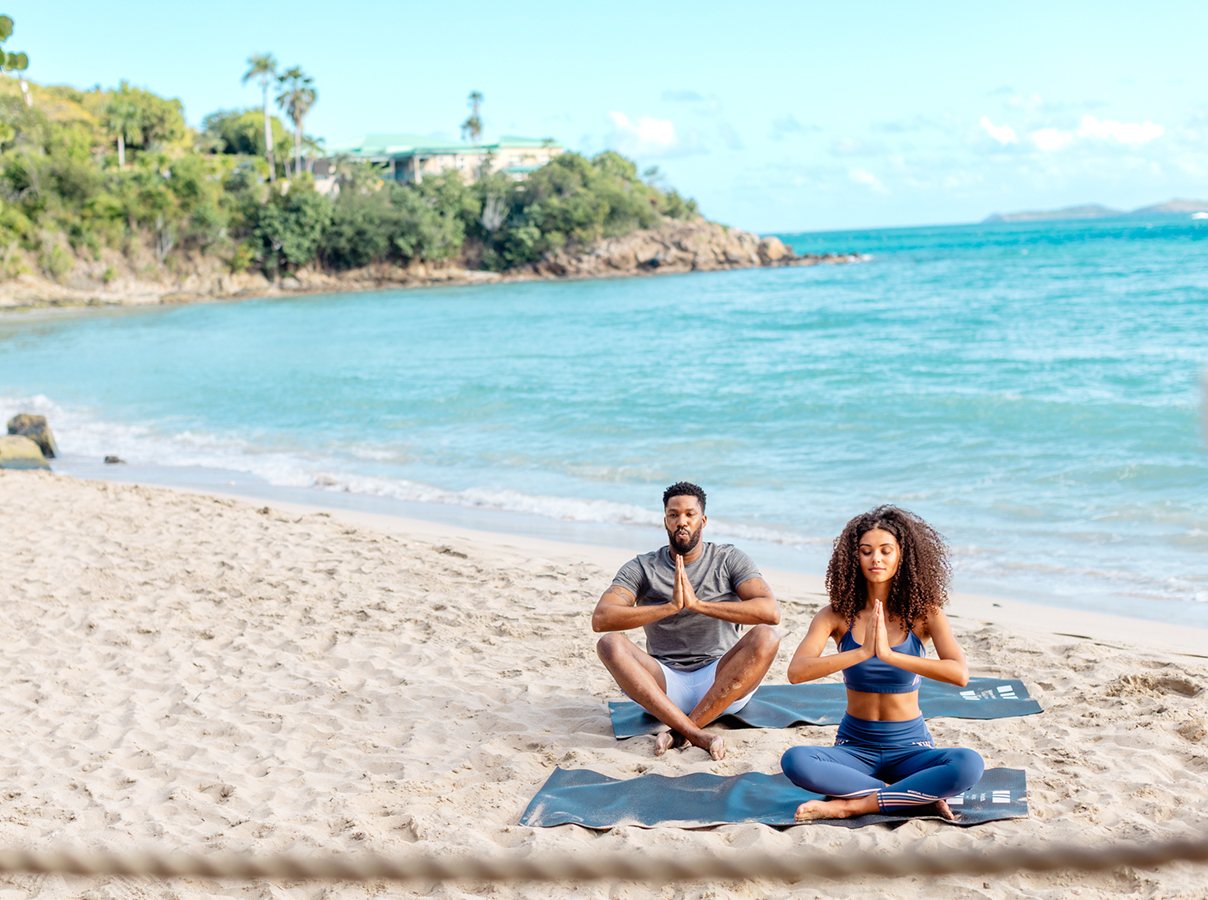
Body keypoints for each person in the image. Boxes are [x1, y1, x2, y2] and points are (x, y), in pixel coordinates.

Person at [780, 505, 984, 821]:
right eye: (867, 551)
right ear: (854, 558)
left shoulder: (925, 615)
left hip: (912, 747)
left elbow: (959, 674)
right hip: (854, 747)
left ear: (902, 556)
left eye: (886, 551)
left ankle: (855, 804)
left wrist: (890, 655)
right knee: (796, 760)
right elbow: (797, 671)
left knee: (969, 763)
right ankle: (909, 795)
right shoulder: (835, 615)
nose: (876, 558)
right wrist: (861, 653)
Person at [593, 482, 781, 760]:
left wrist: (700, 606)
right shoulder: (643, 567)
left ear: (702, 520)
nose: (682, 521)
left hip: (722, 682)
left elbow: (770, 612)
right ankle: (696, 733)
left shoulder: (729, 559)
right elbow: (602, 618)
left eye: (690, 514)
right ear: (665, 520)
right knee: (609, 644)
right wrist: (669, 607)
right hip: (663, 687)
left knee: (767, 636)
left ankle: (681, 732)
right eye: (674, 515)